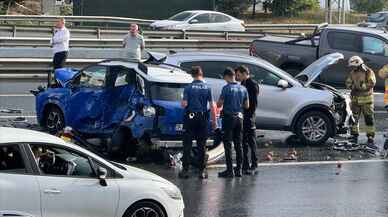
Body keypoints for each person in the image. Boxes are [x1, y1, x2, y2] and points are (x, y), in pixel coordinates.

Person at [179, 66, 217, 179]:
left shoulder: (188, 88)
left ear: (192, 75)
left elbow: (184, 104)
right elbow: (212, 106)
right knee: (202, 145)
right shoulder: (208, 87)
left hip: (190, 117)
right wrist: (214, 121)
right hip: (203, 118)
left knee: (187, 145)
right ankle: (202, 171)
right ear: (202, 74)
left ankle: (185, 171)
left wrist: (183, 101)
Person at [217, 67, 249, 178]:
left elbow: (219, 104)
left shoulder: (226, 88)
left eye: (224, 77)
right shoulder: (243, 88)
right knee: (238, 144)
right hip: (239, 118)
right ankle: (239, 170)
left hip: (229, 118)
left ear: (227, 76)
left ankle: (230, 170)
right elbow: (247, 105)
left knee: (228, 145)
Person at [345, 56, 376, 148]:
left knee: (369, 119)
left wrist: (362, 86)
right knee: (354, 119)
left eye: (354, 65)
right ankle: (354, 136)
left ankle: (370, 137)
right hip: (355, 100)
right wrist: (351, 86)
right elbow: (348, 82)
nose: (353, 68)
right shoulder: (352, 73)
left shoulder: (368, 71)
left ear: (358, 63)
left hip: (366, 100)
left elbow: (372, 83)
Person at [235, 65, 259, 175]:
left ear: (245, 73)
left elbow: (253, 104)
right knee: (243, 142)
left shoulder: (252, 84)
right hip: (242, 117)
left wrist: (248, 116)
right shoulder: (243, 84)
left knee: (251, 142)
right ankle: (245, 164)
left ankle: (254, 165)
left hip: (249, 117)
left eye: (238, 75)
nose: (237, 77)